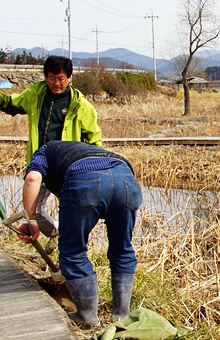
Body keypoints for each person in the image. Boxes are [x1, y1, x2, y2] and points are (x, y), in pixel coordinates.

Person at [18, 140, 142, 327]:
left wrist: (30, 221)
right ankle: (121, 316)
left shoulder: (43, 151)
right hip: (126, 179)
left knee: (73, 251)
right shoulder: (81, 149)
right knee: (122, 249)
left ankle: (87, 317)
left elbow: (32, 179)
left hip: (85, 181)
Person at [0, 55, 102, 237]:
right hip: (40, 161)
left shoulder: (80, 105)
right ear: (45, 77)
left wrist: (95, 167)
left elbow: (94, 139)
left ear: (69, 78)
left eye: (61, 79)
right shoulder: (35, 95)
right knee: (33, 211)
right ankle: (55, 234)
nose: (56, 83)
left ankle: (69, 247)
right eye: (52, 78)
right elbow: (13, 104)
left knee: (71, 211)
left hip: (67, 165)